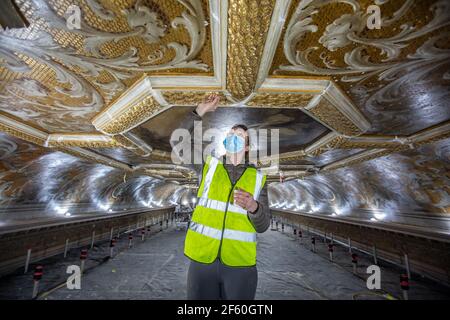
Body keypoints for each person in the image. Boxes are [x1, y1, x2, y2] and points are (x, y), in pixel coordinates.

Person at [176, 94, 271, 300]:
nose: (233, 137)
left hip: (240, 265)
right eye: (231, 134)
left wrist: (254, 207)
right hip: (202, 260)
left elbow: (263, 226)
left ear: (246, 147)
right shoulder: (208, 166)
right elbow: (180, 144)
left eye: (239, 135)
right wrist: (199, 111)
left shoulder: (258, 178)